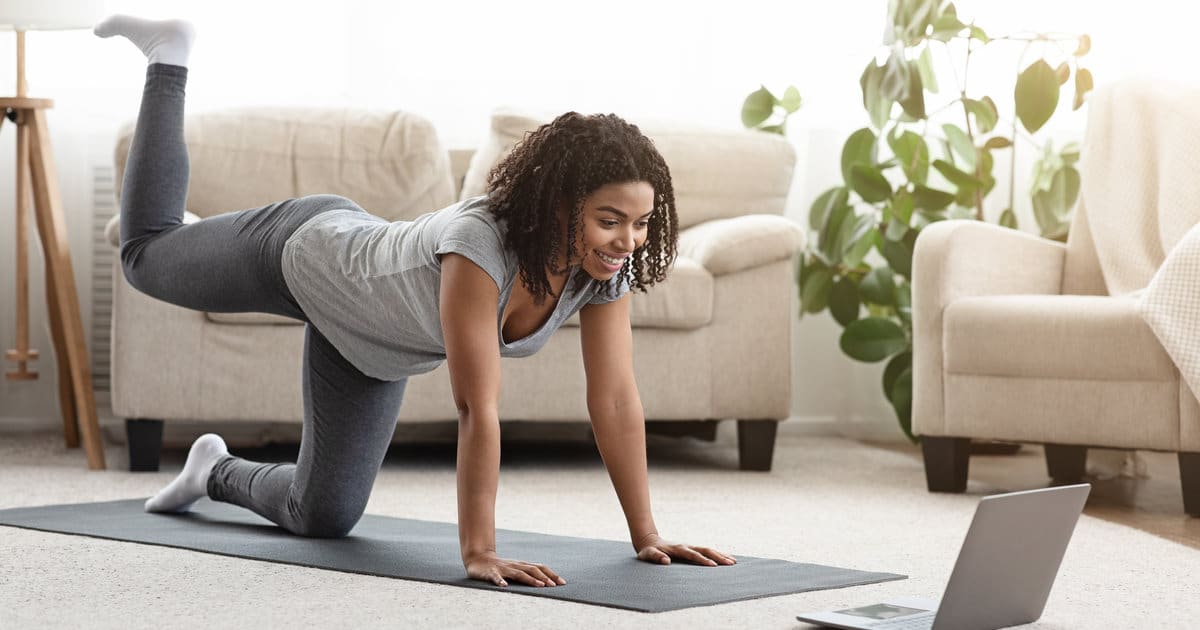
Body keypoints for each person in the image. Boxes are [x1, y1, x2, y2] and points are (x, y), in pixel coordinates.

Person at [94, 15, 738, 589]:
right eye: (609, 220)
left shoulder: (599, 271)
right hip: (305, 252)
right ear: (562, 205)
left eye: (642, 223)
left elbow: (617, 399)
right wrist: (480, 550)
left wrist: (646, 533)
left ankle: (212, 469)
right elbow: (475, 406)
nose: (628, 241)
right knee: (146, 258)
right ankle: (167, 59)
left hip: (367, 343)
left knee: (322, 517)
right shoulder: (479, 245)